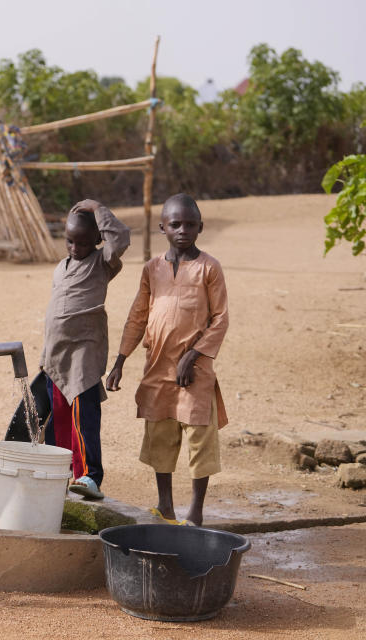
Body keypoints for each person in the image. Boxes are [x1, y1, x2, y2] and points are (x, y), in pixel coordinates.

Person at [106, 193, 229, 527]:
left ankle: (196, 513)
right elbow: (137, 316)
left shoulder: (209, 268)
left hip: (196, 371)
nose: (183, 230)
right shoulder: (152, 269)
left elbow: (220, 319)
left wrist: (195, 354)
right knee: (160, 435)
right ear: (163, 227)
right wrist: (119, 360)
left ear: (200, 227)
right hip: (158, 366)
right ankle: (166, 506)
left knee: (200, 438)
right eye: (175, 224)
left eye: (190, 224)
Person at [5, 199, 130, 500]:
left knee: (83, 417)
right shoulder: (61, 267)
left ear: (98, 240)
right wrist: (44, 358)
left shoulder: (102, 264)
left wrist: (99, 208)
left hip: (83, 356)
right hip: (55, 358)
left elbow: (121, 238)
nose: (75, 248)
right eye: (70, 242)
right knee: (59, 419)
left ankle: (89, 476)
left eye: (84, 243)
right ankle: (63, 471)